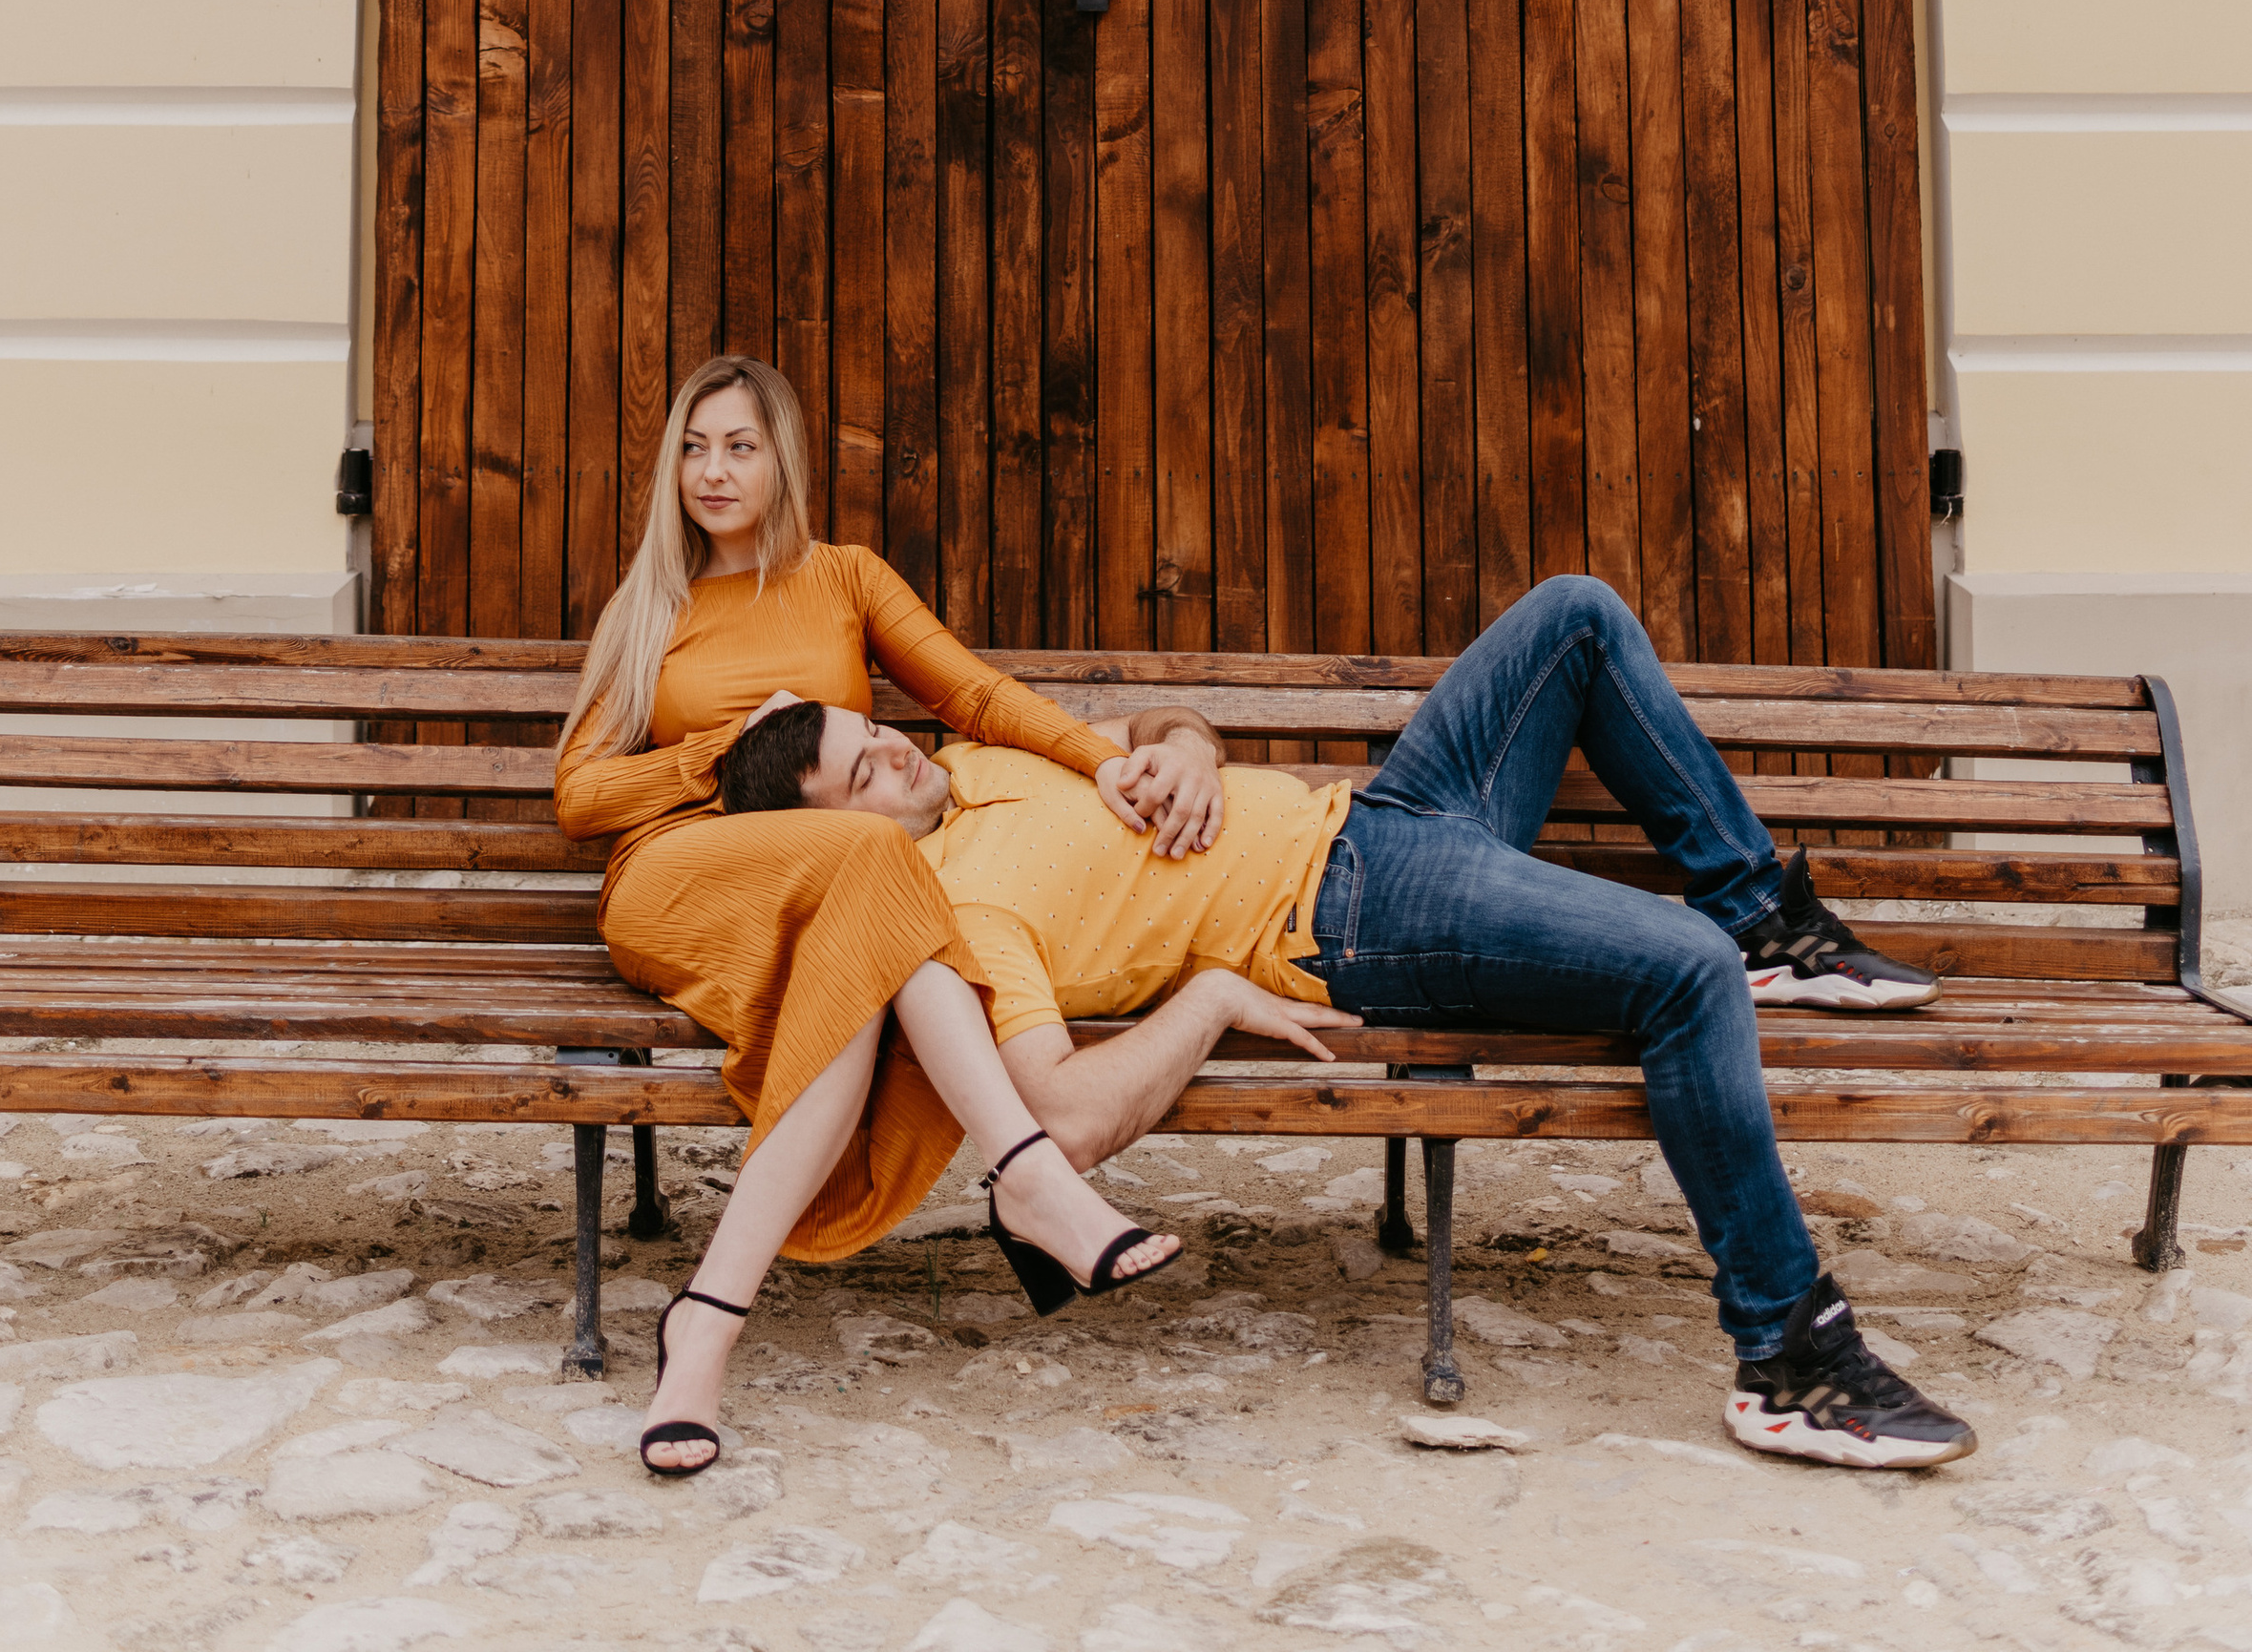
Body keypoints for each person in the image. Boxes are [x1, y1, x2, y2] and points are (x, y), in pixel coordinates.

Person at [717, 570, 1978, 1473]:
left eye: (874, 724)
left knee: (1575, 612)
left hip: (1389, 815)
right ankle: (1790, 1363)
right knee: (1685, 975)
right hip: (1358, 916)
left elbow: (1148, 731)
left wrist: (1196, 748)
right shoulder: (963, 917)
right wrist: (1212, 995)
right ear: (836, 834)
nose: (895, 745)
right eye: (863, 765)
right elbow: (1058, 1116)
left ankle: (1769, 914)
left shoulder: (985, 762)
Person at [550, 354, 1229, 1480]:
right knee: (873, 859)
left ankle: (703, 1331)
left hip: (833, 889)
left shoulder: (845, 578)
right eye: (694, 446)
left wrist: (1094, 762)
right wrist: (720, 751)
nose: (713, 472)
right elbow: (580, 800)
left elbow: (972, 695)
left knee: (866, 928)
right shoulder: (651, 609)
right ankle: (1030, 1176)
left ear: (784, 463)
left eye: (740, 446)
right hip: (677, 880)